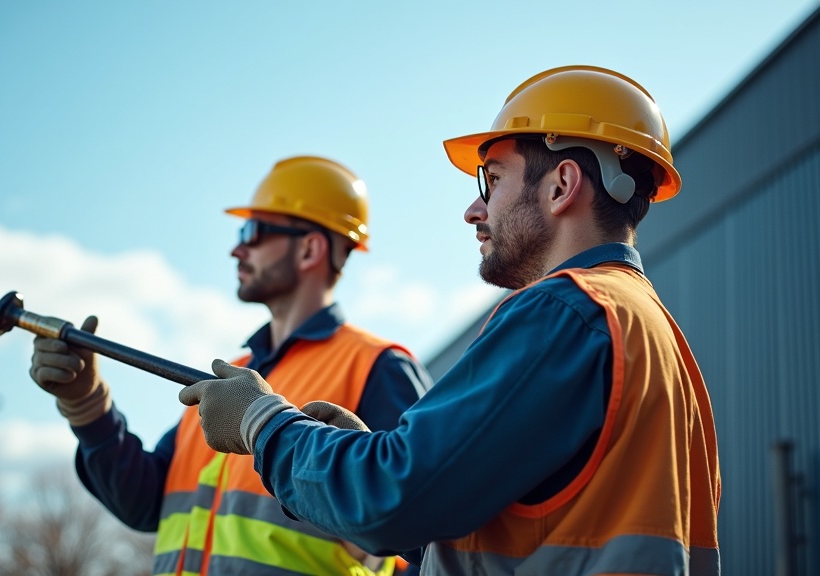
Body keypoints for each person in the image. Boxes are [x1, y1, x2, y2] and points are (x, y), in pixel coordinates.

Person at [178, 66, 722, 575]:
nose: (473, 210)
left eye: (493, 180)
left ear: (562, 186)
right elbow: (519, 529)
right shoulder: (653, 334)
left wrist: (264, 424)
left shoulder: (566, 310)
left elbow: (393, 500)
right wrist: (364, 457)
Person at [29, 155, 432, 576]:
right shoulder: (231, 375)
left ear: (310, 248)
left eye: (253, 232)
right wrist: (87, 406)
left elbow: (426, 527)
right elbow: (145, 504)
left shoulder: (377, 366)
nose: (236, 248)